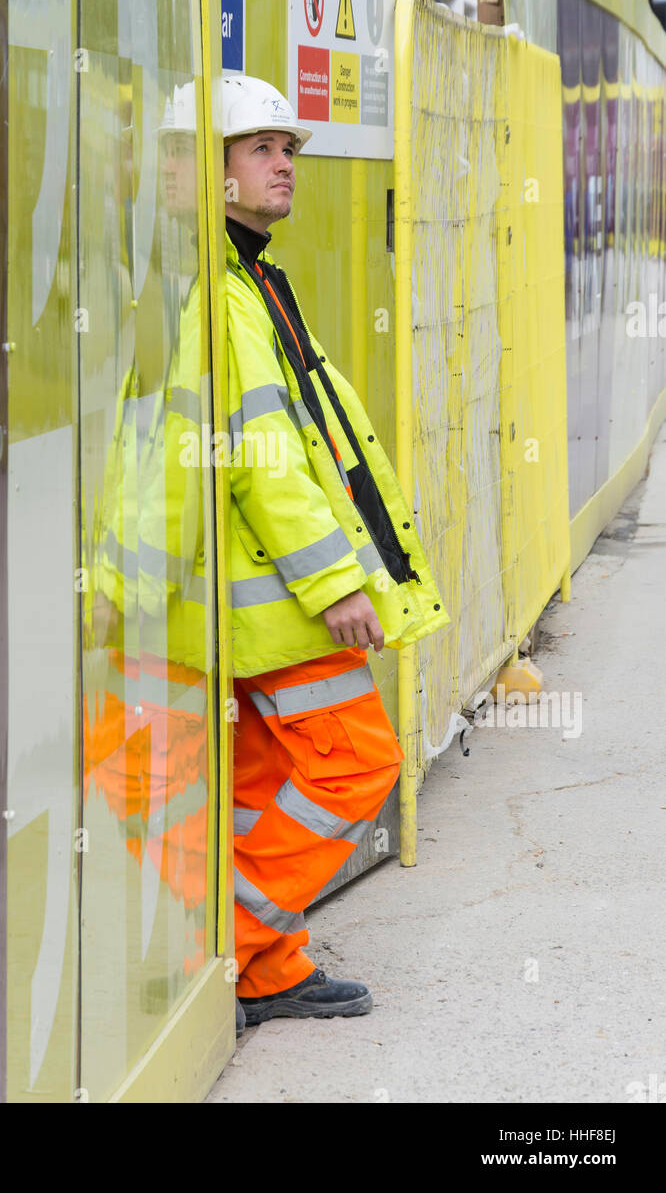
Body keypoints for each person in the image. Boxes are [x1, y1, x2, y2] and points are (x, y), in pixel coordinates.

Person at [222, 75, 449, 1033]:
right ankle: (231, 947)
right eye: (263, 149)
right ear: (209, 170)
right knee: (359, 764)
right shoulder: (231, 295)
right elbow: (264, 462)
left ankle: (264, 967)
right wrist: (334, 582)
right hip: (282, 596)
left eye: (290, 150)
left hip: (255, 595)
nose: (286, 166)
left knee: (258, 781)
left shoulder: (254, 278)